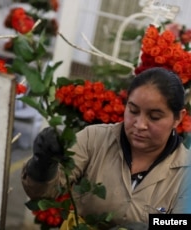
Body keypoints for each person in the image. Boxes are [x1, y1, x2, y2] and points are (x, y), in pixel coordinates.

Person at [21, 67, 191, 227]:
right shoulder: (94, 139)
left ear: (178, 118)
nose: (140, 125)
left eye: (154, 117)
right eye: (133, 111)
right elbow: (42, 193)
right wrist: (42, 164)